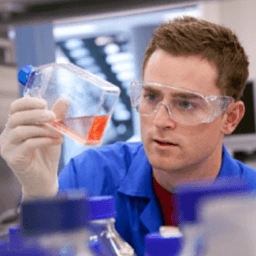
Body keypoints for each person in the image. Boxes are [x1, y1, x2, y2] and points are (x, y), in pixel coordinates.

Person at [1, 16, 256, 255]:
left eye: (186, 104)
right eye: (151, 97)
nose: (160, 121)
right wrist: (38, 195)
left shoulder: (251, 203)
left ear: (230, 117)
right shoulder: (91, 176)